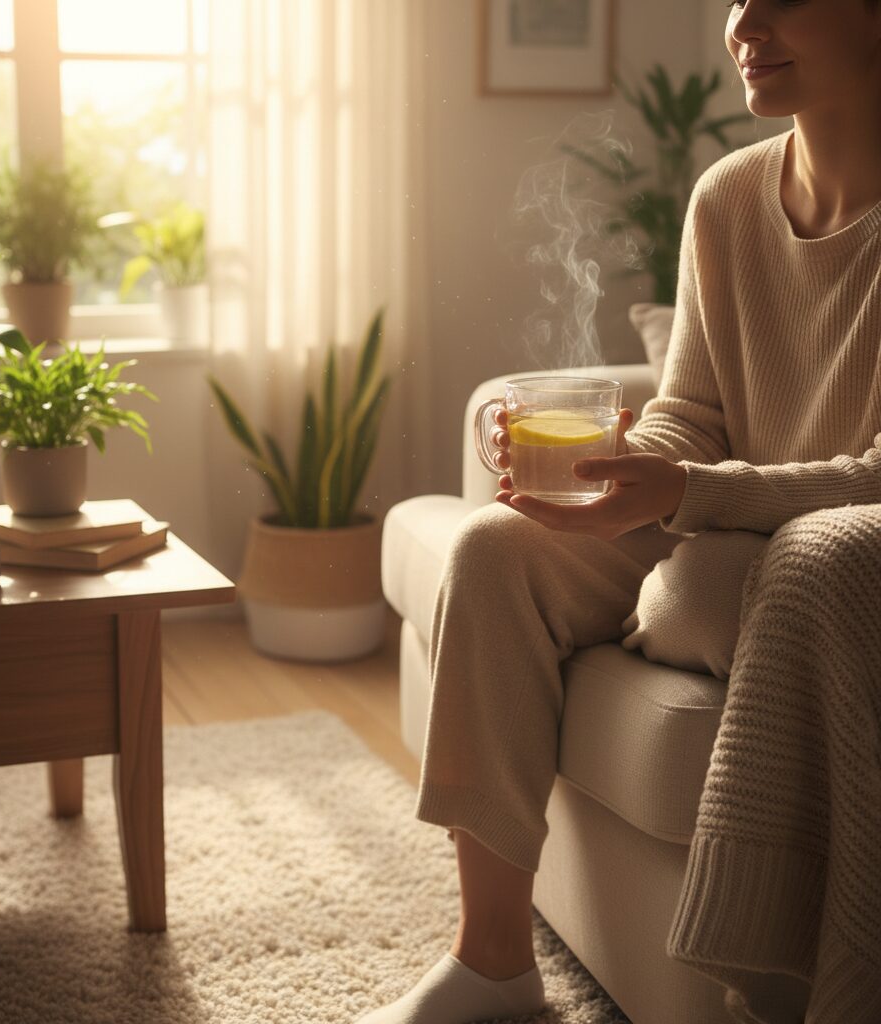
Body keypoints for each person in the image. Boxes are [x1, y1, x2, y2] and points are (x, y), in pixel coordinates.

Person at [357, 0, 881, 1021]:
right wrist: (613, 468)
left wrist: (690, 494)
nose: (744, 25)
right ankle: (492, 963)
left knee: (729, 578)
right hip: (732, 525)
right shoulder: (728, 197)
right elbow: (693, 415)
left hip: (832, 552)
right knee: (497, 549)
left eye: (785, 0)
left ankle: (697, 598)